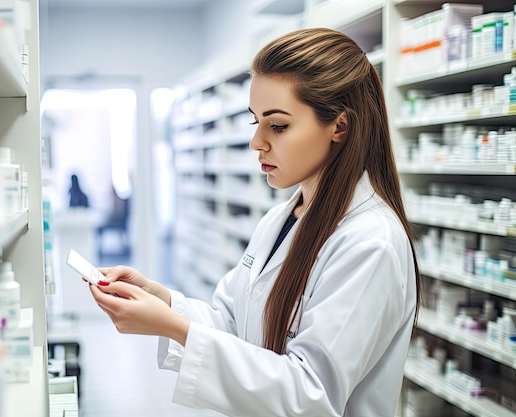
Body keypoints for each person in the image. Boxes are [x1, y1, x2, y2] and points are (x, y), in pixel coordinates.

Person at [87, 28, 420, 417]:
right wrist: (163, 302)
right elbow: (233, 322)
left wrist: (178, 329)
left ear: (339, 127)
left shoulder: (370, 242)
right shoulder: (281, 218)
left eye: (277, 125)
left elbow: (311, 396)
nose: (256, 142)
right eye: (255, 122)